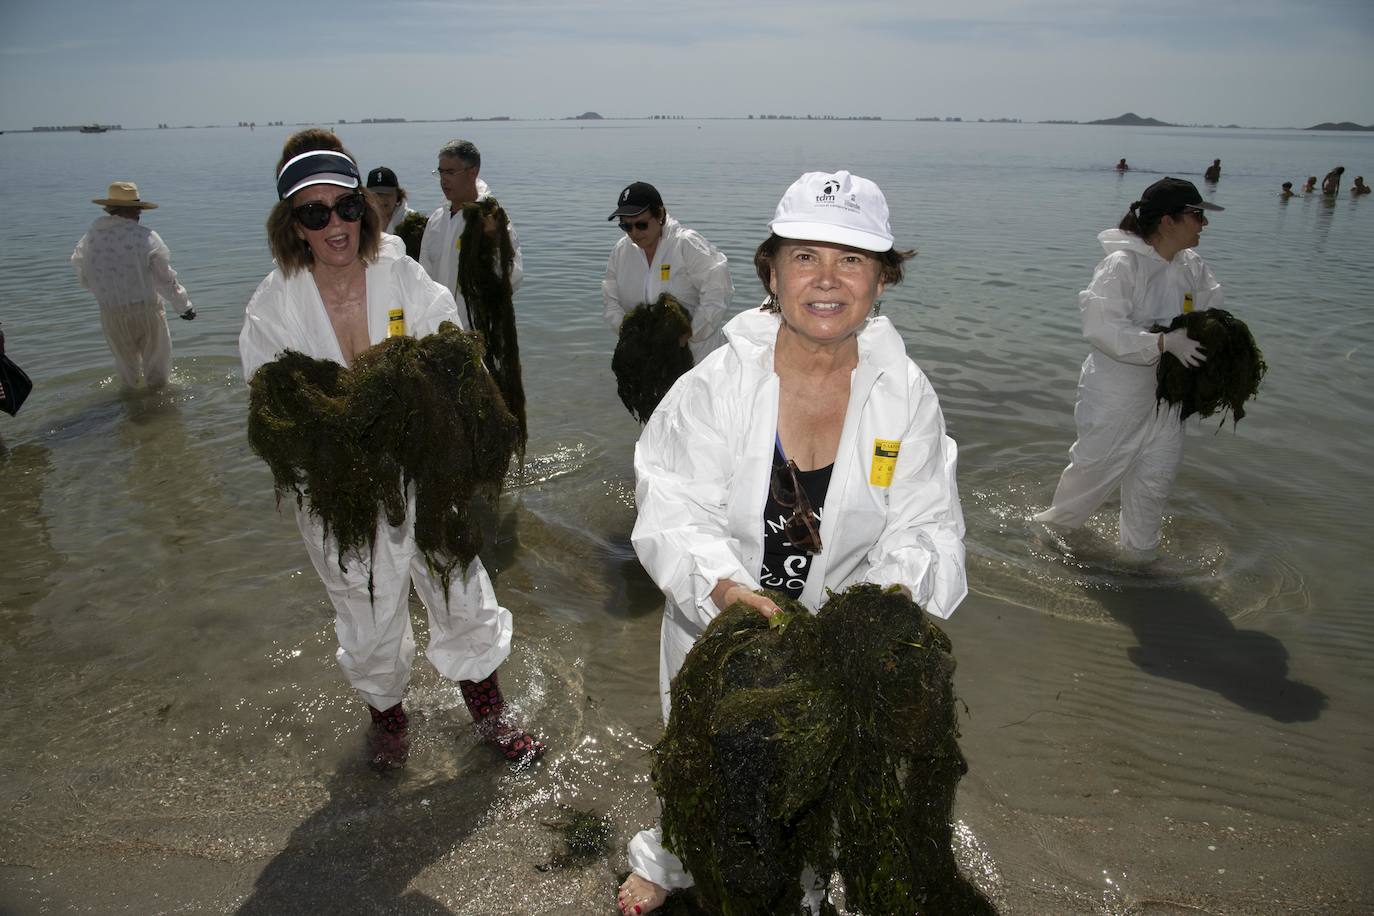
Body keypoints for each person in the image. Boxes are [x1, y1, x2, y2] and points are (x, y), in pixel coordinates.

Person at [616, 170, 967, 915]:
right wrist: (723, 589)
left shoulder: (904, 395)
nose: (828, 280)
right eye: (805, 257)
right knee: (702, 755)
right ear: (771, 273)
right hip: (719, 625)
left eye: (853, 260)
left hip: (835, 638)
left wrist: (887, 600)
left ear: (881, 279)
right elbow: (670, 504)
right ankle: (669, 858)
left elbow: (928, 523)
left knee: (813, 775)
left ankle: (807, 877)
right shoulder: (717, 385)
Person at [239, 130, 543, 771]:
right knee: (365, 603)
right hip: (338, 487)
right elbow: (270, 402)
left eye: (346, 206)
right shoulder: (274, 305)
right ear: (293, 225)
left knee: (456, 582)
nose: (335, 225)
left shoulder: (402, 274)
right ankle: (388, 718)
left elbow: (451, 342)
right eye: (314, 212)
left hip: (425, 470)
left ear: (364, 209)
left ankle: (488, 710)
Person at [1034, 177, 1224, 554]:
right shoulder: (1122, 266)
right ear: (1167, 221)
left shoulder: (1192, 267)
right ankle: (1045, 545)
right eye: (1197, 215)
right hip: (1117, 394)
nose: (1204, 224)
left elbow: (1211, 311)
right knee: (1090, 477)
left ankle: (1140, 562)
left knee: (1154, 484)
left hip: (1168, 400)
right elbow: (1101, 328)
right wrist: (1161, 342)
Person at [71, 181, 195, 388]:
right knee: (158, 375)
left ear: (110, 209)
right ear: (134, 210)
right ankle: (158, 415)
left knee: (127, 374)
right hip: (147, 312)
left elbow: (84, 278)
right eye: (138, 210)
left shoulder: (89, 239)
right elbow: (165, 280)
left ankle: (130, 412)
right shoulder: (146, 237)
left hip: (111, 314)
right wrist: (184, 306)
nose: (139, 214)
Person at [603, 181, 734, 361]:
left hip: (700, 360)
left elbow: (719, 292)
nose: (634, 232)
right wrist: (628, 333)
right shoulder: (621, 251)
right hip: (649, 360)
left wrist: (689, 333)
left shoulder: (686, 244)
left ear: (660, 215)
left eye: (641, 225)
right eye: (626, 226)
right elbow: (611, 301)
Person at [418, 139, 523, 318]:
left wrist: (494, 244)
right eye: (441, 172)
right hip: (439, 327)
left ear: (472, 172)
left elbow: (514, 278)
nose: (443, 180)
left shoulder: (492, 219)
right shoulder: (436, 220)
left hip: (477, 331)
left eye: (450, 172)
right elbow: (423, 277)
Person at [365, 166, 418, 234]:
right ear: (368, 196)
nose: (382, 199)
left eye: (388, 194)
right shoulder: (360, 222)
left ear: (398, 195)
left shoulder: (413, 222)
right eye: (377, 194)